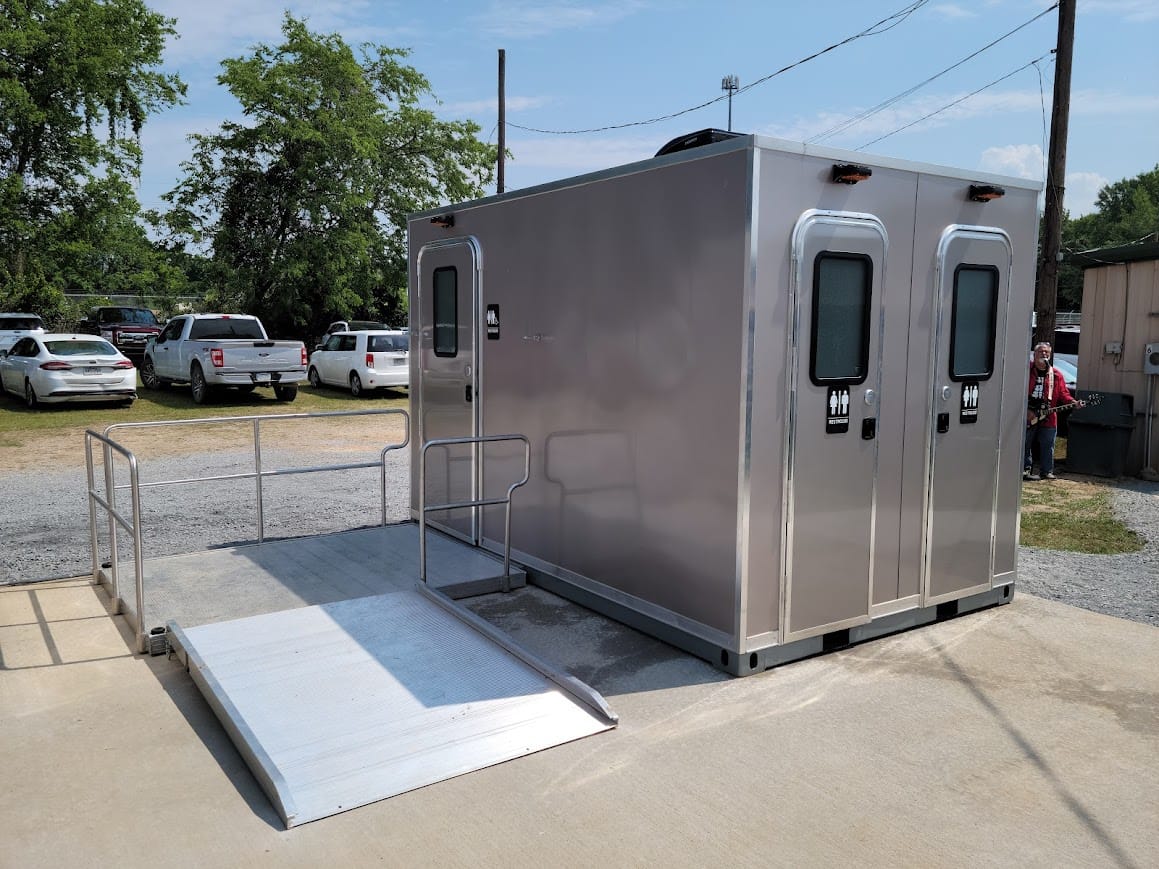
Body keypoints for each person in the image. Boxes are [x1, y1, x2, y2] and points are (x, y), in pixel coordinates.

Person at [1025, 341, 1080, 481]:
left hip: (1048, 415)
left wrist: (1073, 402)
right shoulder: (1026, 371)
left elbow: (1063, 394)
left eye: (1046, 352)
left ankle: (1046, 471)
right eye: (1041, 352)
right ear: (1034, 354)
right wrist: (1025, 410)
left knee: (1048, 444)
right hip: (1028, 413)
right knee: (1025, 443)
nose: (1044, 354)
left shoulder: (1055, 374)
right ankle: (1025, 470)